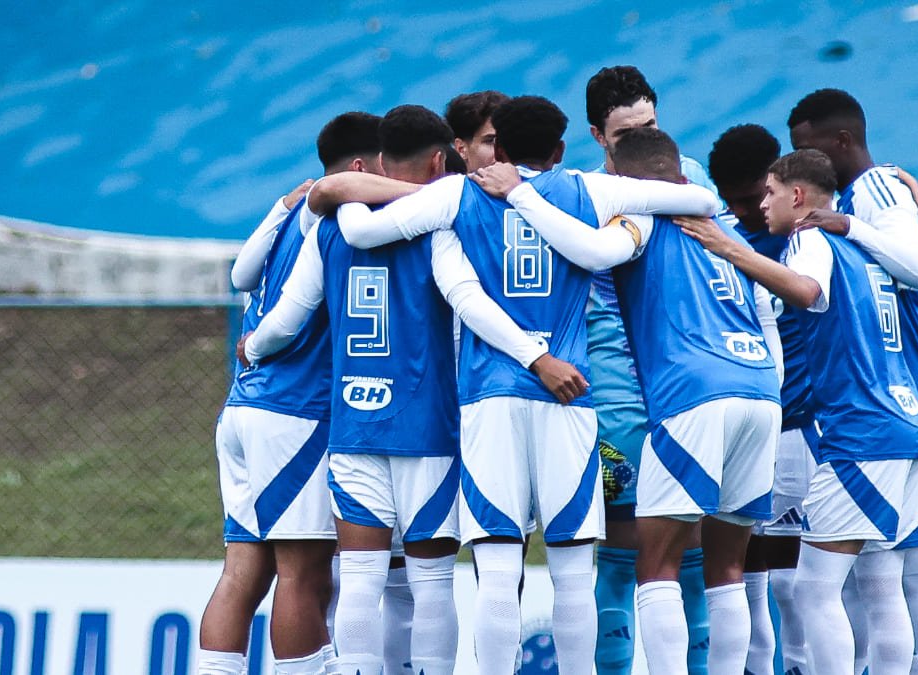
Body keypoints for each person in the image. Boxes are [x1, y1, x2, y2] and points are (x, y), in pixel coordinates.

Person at [317, 95, 720, 675]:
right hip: (570, 395)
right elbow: (701, 198)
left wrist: (335, 191)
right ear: (559, 150)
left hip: (489, 398)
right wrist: (631, 224)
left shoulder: (458, 195)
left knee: (500, 571)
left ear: (497, 148)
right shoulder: (590, 191)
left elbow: (363, 234)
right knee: (572, 571)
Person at [241, 105, 573, 675]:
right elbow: (468, 298)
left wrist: (253, 346)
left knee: (362, 580)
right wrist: (537, 355)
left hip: (355, 426)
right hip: (429, 427)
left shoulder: (330, 229)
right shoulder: (441, 227)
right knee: (431, 584)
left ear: (376, 159)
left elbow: (285, 322)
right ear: (441, 160)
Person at [472, 126, 783, 675]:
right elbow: (768, 317)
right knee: (723, 567)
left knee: (651, 563)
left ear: (620, 175)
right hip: (760, 391)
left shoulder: (637, 217)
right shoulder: (726, 228)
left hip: (688, 395)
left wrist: (518, 193)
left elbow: (591, 253)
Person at [677, 148, 918, 675]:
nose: (763, 205)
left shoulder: (812, 238)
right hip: (909, 426)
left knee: (816, 590)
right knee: (884, 586)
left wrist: (727, 248)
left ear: (796, 195)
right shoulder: (864, 246)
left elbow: (805, 289)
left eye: (769, 192)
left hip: (860, 433)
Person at [199, 111, 389, 675]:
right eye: (383, 163)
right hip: (294, 415)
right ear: (360, 167)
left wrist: (284, 202)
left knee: (244, 572)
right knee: (304, 575)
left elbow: (239, 276)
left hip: (243, 411)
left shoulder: (285, 218)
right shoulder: (329, 216)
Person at [788, 88, 918, 675]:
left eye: (807, 148)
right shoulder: (858, 202)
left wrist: (850, 225)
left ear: (841, 142)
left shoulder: (873, 189)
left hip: (916, 393)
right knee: (880, 570)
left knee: (916, 559)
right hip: (889, 397)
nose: (802, 164)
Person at [584, 64, 718, 675]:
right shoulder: (587, 194)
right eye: (624, 133)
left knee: (691, 544)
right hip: (617, 389)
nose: (641, 140)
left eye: (651, 125)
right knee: (621, 548)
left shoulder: (691, 175)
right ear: (596, 136)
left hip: (687, 379)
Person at [707, 123, 804, 675]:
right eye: (733, 202)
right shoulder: (727, 239)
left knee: (798, 581)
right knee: (749, 571)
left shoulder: (807, 239)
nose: (745, 212)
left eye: (752, 199)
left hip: (804, 422)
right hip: (752, 422)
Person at [445, 90, 510, 172]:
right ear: (461, 149)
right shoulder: (443, 185)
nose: (504, 152)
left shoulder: (528, 183)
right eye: (490, 141)